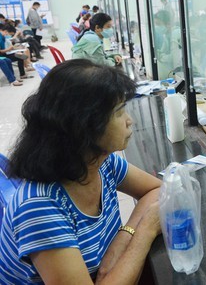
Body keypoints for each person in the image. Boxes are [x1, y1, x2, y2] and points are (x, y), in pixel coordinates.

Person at [0, 59, 162, 283]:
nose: (129, 120)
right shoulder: (39, 207)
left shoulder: (100, 162)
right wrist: (145, 231)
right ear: (83, 126)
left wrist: (124, 237)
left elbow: (155, 190)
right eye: (118, 113)